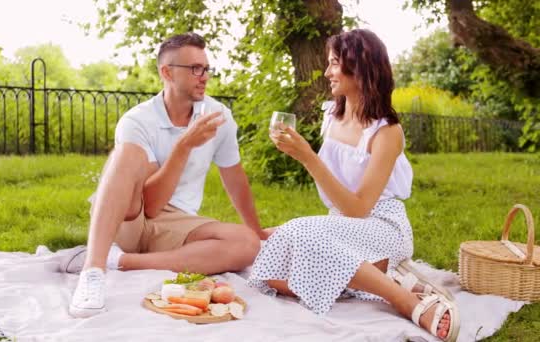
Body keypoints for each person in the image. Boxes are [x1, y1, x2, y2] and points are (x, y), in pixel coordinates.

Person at [247, 29, 459, 342]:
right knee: (271, 270)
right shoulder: (332, 116)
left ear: (359, 68)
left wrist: (308, 157)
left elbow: (359, 209)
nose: (326, 72)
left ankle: (406, 301)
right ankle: (385, 278)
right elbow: (340, 207)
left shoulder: (387, 133)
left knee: (298, 231)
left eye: (334, 63)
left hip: (381, 227)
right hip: (342, 227)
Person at [62, 32, 265, 318]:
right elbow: (152, 204)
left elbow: (234, 176)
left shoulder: (218, 116)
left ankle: (120, 260)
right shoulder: (138, 121)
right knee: (125, 154)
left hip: (177, 223)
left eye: (206, 68)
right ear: (167, 72)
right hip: (130, 216)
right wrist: (184, 146)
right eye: (194, 68)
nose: (203, 76)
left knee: (247, 243)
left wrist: (255, 230)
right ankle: (93, 271)